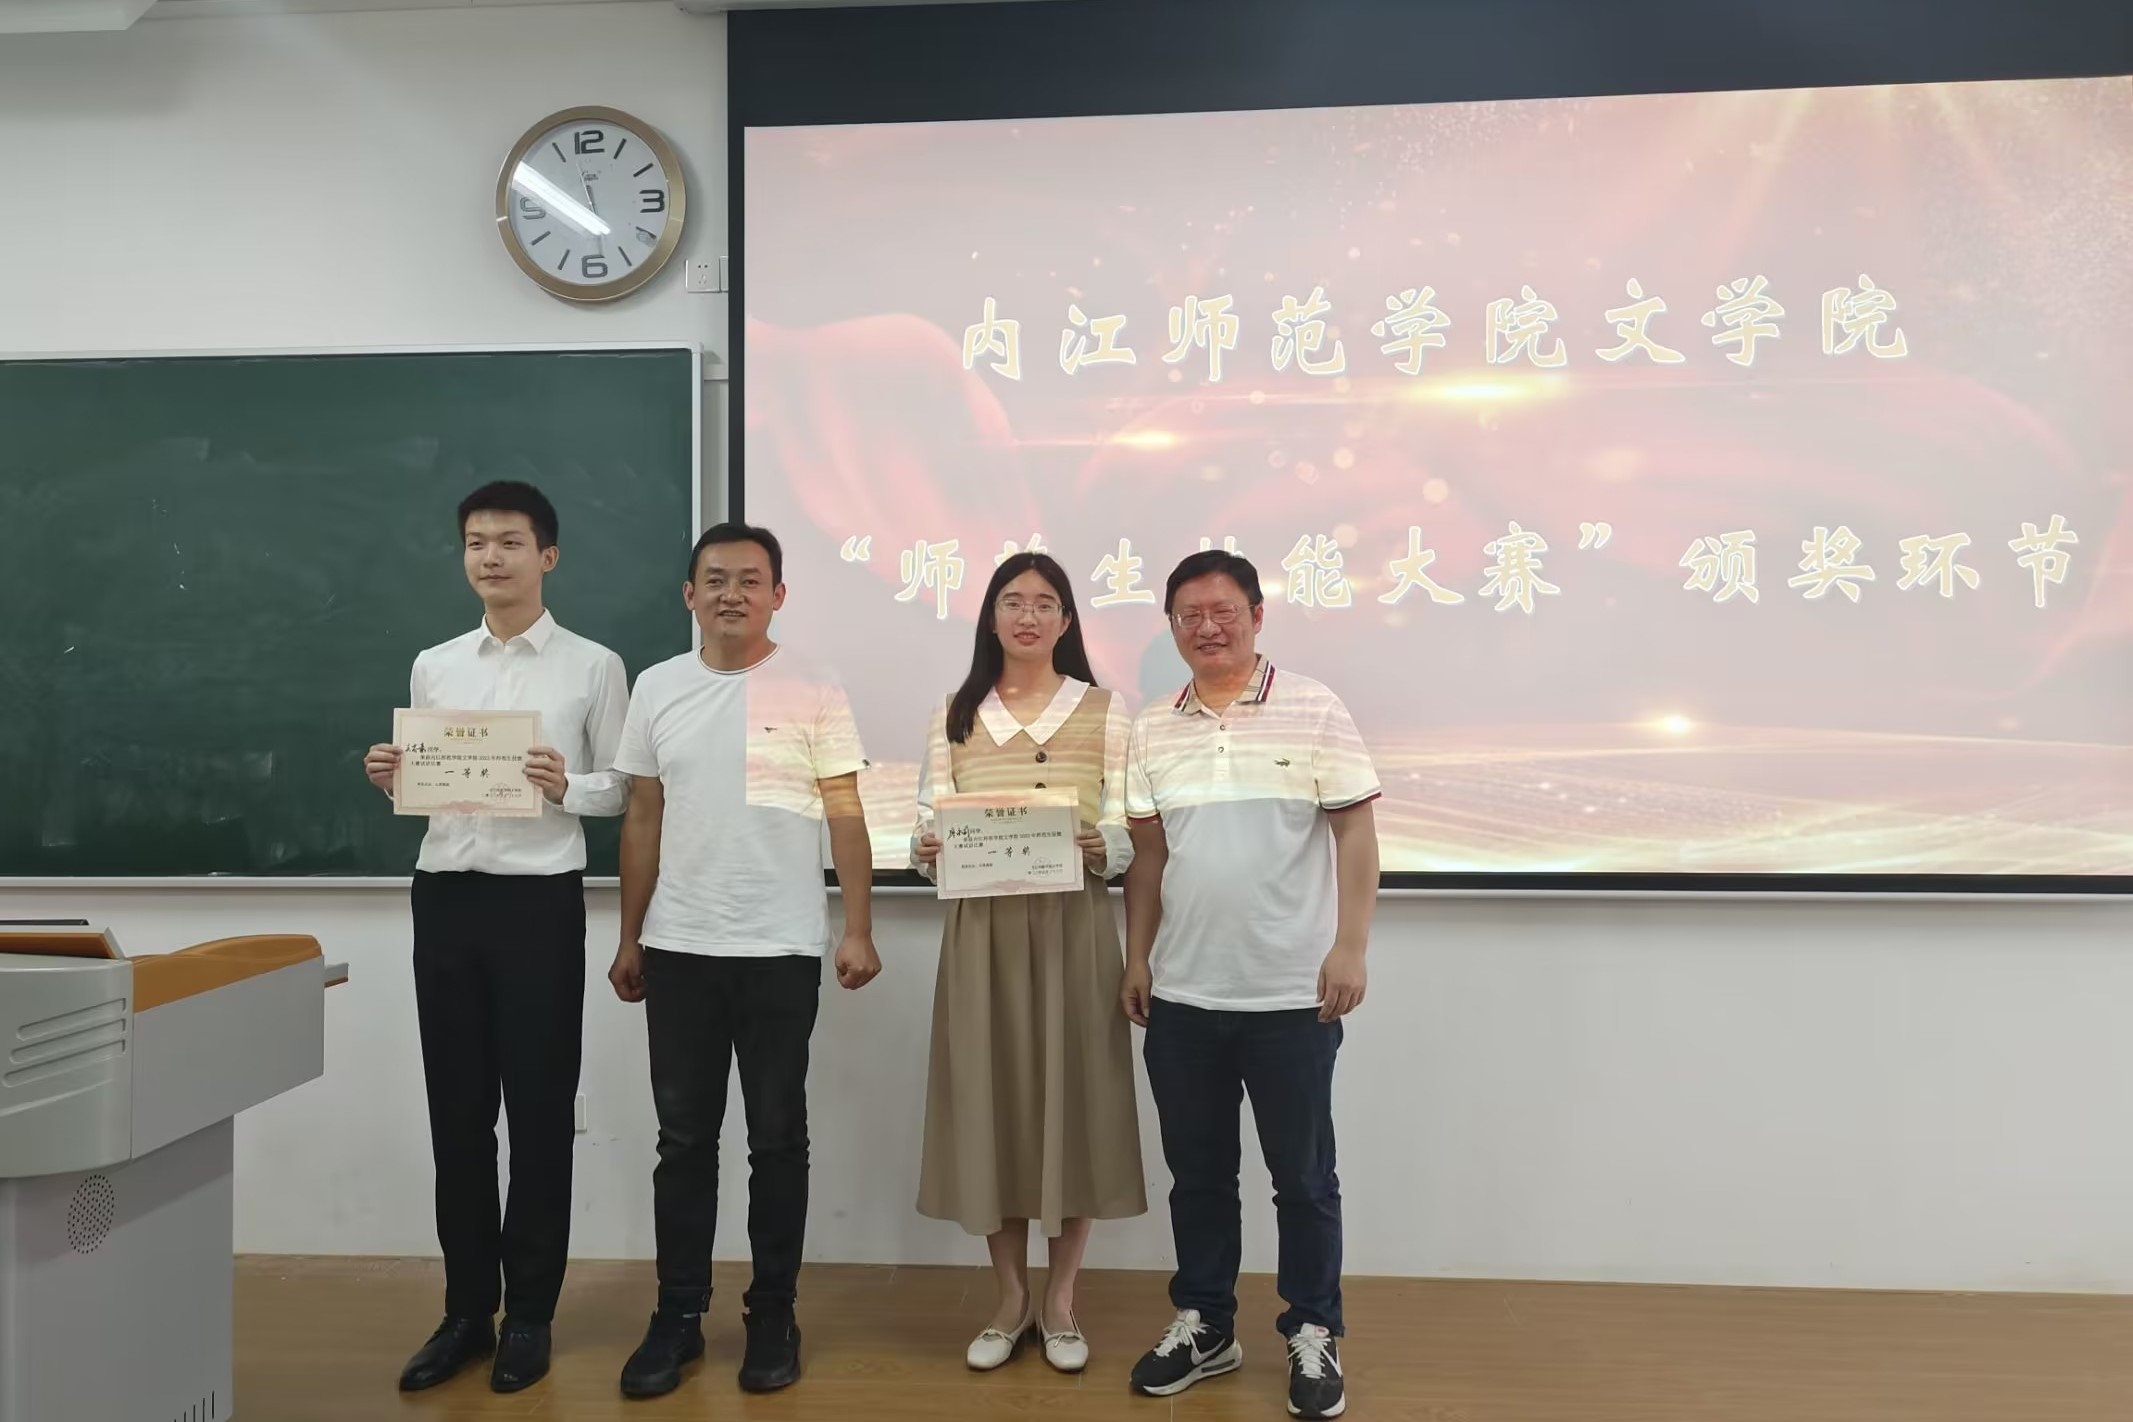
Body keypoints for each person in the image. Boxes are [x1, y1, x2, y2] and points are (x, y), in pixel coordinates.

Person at [361, 480, 630, 1396]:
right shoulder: (434, 665)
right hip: (444, 897)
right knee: (458, 1115)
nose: (490, 557)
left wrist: (568, 785)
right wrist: (392, 775)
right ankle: (466, 1312)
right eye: (476, 541)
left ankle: (532, 1316)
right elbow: (431, 784)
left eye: (509, 541)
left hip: (536, 905)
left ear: (545, 556)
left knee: (540, 1115)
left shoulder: (593, 665)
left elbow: (623, 787)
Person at [606, 521, 883, 1400]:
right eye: (716, 579)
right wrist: (629, 935)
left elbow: (845, 810)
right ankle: (678, 1316)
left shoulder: (814, 685)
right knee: (683, 1142)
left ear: (778, 595)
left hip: (778, 946)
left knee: (777, 1140)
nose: (732, 593)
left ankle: (772, 1314)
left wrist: (858, 926)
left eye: (750, 580)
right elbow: (642, 816)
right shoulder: (657, 686)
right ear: (689, 595)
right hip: (680, 946)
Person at [1119, 548, 1380, 1422]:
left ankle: (1313, 1328)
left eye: (1223, 610)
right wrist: (1136, 958)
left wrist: (1350, 947)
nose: (1207, 626)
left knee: (1302, 1178)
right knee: (1197, 1177)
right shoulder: (1153, 726)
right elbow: (1147, 859)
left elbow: (1354, 835)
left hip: (1290, 997)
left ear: (1257, 616)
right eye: (1188, 614)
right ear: (1171, 626)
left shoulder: (1313, 708)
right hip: (1184, 995)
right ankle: (1205, 1324)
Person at [909, 552, 1146, 1374]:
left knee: (1074, 1103)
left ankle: (1061, 1300)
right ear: (990, 617)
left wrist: (1102, 843)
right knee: (993, 1104)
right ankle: (1010, 1299)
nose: (1028, 616)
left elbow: (1130, 830)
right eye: (1012, 601)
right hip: (982, 934)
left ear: (1067, 621)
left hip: (1073, 928)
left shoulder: (1106, 713)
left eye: (1045, 603)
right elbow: (923, 829)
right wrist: (926, 848)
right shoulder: (953, 714)